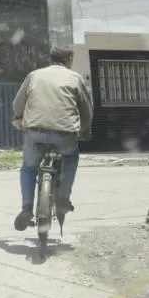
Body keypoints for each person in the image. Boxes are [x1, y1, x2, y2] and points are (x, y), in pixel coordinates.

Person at [11, 46, 93, 232]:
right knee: (70, 158)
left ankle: (26, 208)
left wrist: (18, 118)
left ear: (51, 58)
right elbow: (87, 111)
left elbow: (18, 102)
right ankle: (63, 198)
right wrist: (85, 131)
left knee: (29, 168)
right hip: (65, 133)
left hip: (35, 131)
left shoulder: (34, 75)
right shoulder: (75, 78)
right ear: (69, 59)